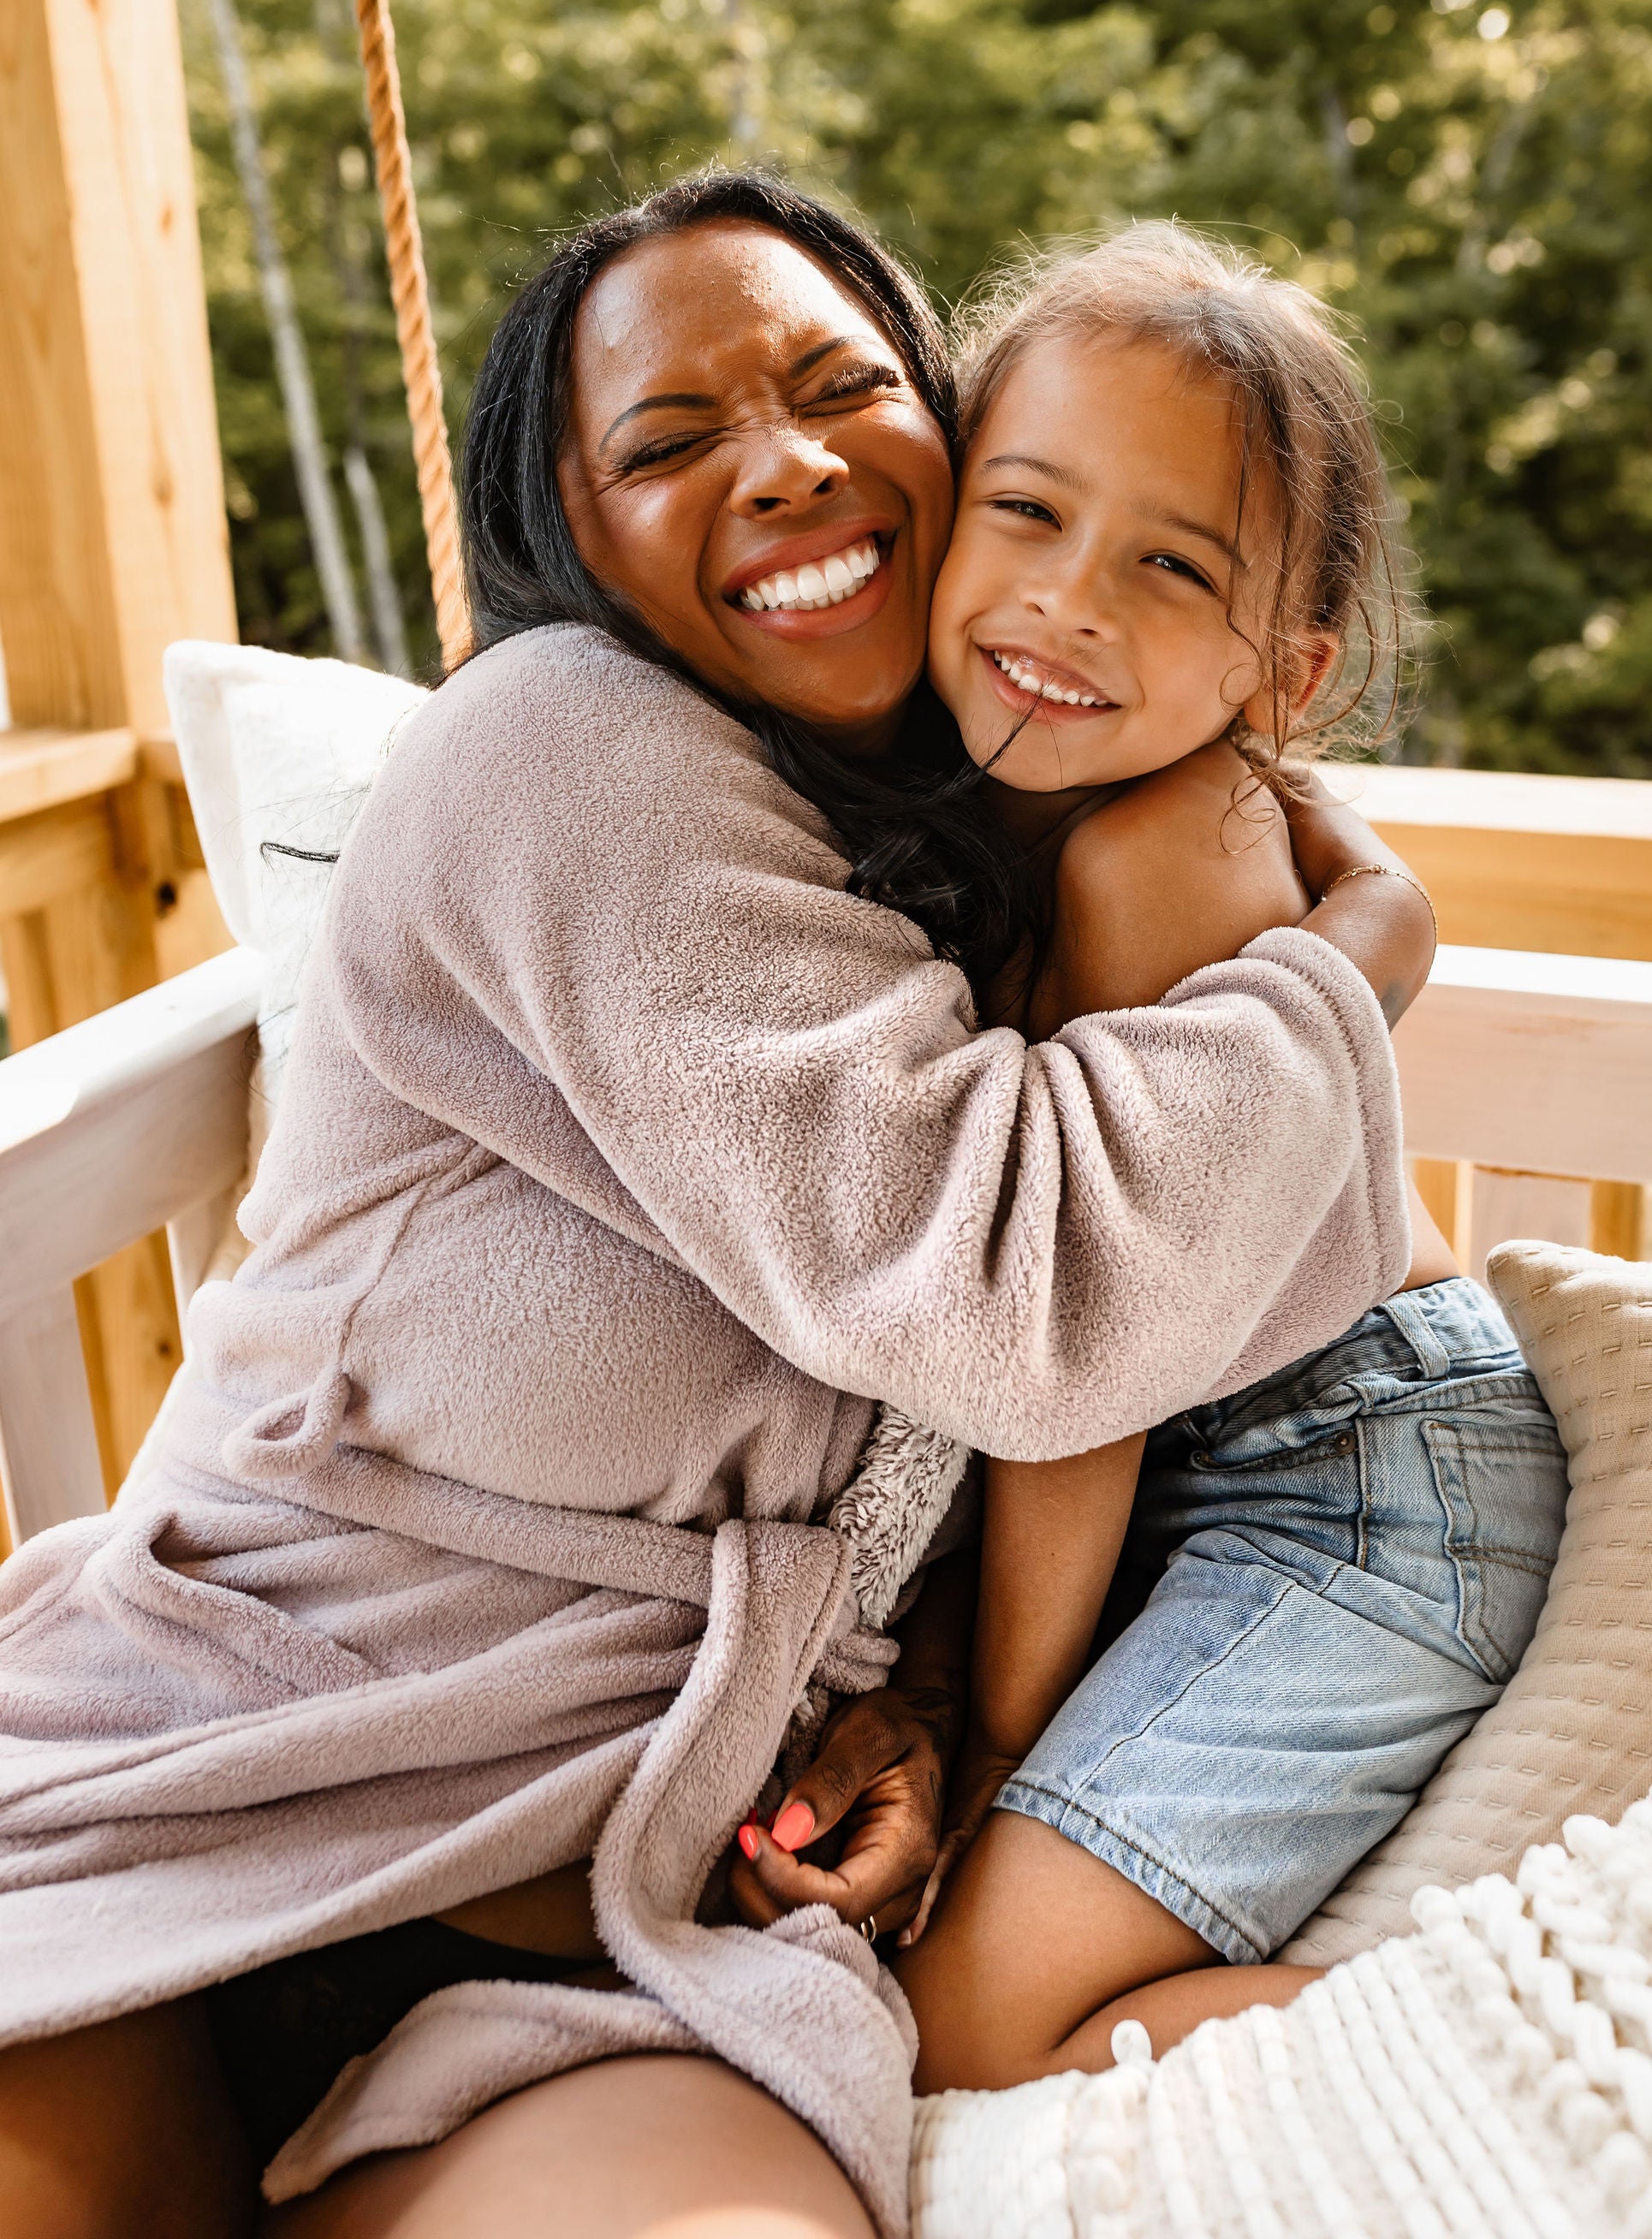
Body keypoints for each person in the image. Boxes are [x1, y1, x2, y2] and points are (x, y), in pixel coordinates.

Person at [0, 175, 1430, 2239]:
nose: (779, 466)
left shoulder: (975, 856)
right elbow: (1009, 1300)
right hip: (219, 1793)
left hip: (639, 1944)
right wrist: (1343, 965)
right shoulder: (563, 741)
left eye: (846, 386)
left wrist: (915, 1710)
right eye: (667, 446)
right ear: (569, 537)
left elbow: (932, 1420)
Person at [874, 225, 1567, 2092]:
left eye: (1170, 565)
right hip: (1218, 1478)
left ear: (1286, 665)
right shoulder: (1001, 817)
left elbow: (1080, 1372)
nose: (1068, 598)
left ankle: (1540, 2054)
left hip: (1359, 1489)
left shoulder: (1149, 860)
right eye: (1022, 511)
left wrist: (999, 1740)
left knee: (962, 2025)